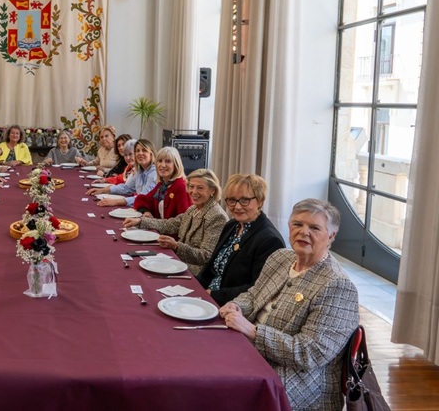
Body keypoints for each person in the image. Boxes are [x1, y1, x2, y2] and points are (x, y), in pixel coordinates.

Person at [220, 199, 359, 411]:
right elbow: (253, 295)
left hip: (297, 384)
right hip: (250, 353)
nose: (303, 232)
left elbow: (310, 353)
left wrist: (253, 331)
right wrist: (236, 306)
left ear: (331, 236)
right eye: (297, 224)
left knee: (217, 388)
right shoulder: (280, 258)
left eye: (314, 228)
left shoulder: (337, 286)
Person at [196, 173, 285, 305]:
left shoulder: (270, 240)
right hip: (206, 295)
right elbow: (211, 268)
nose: (237, 207)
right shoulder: (231, 225)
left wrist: (212, 295)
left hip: (231, 306)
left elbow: (258, 288)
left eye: (244, 200)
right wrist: (195, 287)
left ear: (260, 201)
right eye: (232, 200)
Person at [124, 169, 228, 275]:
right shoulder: (193, 209)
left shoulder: (217, 216)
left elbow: (206, 256)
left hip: (196, 273)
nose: (194, 192)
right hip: (180, 263)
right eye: (191, 186)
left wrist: (176, 246)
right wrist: (140, 221)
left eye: (200, 188)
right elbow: (170, 224)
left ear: (212, 190)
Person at [87, 139, 158, 207]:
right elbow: (127, 187)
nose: (140, 153)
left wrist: (115, 202)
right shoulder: (139, 170)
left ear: (151, 154)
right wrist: (102, 190)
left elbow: (143, 197)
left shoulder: (154, 172)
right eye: (137, 151)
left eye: (144, 150)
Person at [133, 146, 192, 219]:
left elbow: (183, 220)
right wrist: (146, 211)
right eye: (160, 161)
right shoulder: (161, 185)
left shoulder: (181, 186)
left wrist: (152, 222)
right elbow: (141, 199)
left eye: (168, 161)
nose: (163, 165)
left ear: (176, 165)